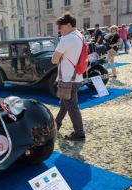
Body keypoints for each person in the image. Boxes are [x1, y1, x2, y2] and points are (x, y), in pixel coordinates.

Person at [51, 12, 85, 141]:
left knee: (72, 107)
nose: (59, 30)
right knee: (65, 104)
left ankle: (79, 133)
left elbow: (54, 60)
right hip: (76, 77)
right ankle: (56, 124)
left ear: (69, 25)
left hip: (67, 79)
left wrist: (58, 56)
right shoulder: (80, 35)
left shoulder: (67, 38)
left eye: (61, 27)